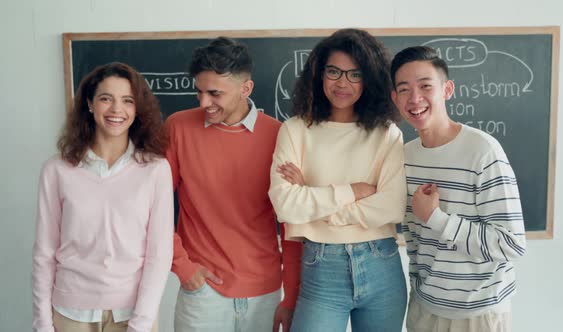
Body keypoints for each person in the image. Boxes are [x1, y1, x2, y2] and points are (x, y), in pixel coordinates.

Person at [268, 28, 408, 332]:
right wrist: (354, 191)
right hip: (321, 266)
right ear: (319, 75)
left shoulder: (386, 133)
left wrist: (312, 198)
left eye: (354, 74)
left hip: (380, 263)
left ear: (369, 79)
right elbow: (285, 205)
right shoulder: (295, 130)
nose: (342, 82)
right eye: (334, 71)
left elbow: (392, 208)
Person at [165, 37, 302, 332]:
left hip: (264, 293)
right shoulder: (178, 127)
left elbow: (291, 224)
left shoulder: (280, 135)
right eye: (199, 91)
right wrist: (183, 266)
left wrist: (290, 296)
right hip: (202, 293)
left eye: (215, 93)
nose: (204, 103)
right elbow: (153, 206)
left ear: (246, 89)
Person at [389, 46, 527, 332]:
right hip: (425, 310)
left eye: (425, 86)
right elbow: (415, 241)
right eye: (404, 89)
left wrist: (436, 218)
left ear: (447, 89)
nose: (415, 99)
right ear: (395, 98)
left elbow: (511, 244)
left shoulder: (483, 151)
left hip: (479, 315)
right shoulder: (405, 156)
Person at [32, 62, 174, 332]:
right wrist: (42, 323)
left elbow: (159, 253)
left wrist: (141, 324)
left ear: (137, 109)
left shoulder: (155, 170)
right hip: (69, 312)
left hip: (132, 314)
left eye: (127, 101)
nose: (116, 110)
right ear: (89, 103)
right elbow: (44, 253)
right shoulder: (57, 170)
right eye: (106, 99)